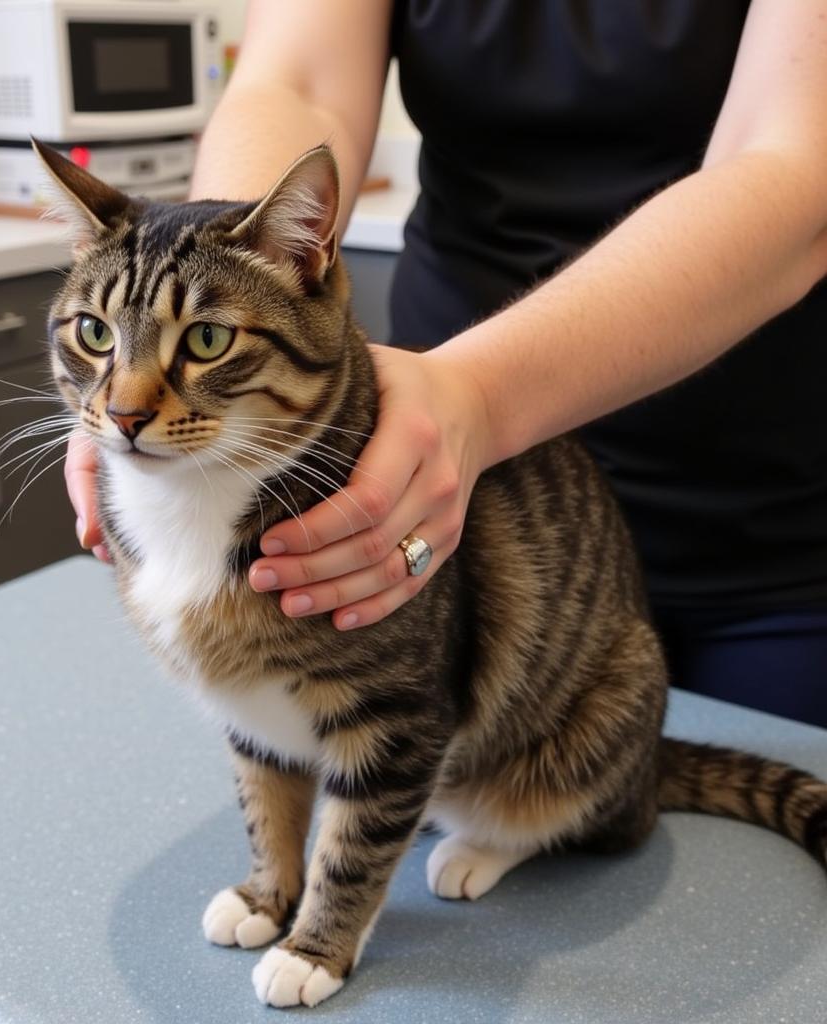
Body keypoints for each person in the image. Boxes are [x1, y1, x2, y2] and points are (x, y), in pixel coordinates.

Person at [65, 1, 827, 726]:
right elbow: (298, 82)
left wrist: (481, 398)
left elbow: (794, 169)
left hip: (764, 524)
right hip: (439, 484)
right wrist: (202, 302)